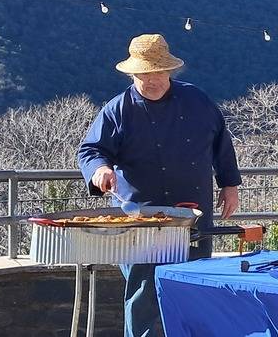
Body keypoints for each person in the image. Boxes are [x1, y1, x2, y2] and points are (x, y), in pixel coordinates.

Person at [77, 34, 242, 337]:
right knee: (143, 293)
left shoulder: (197, 101)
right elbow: (90, 150)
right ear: (132, 74)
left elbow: (221, 142)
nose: (151, 80)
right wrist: (100, 169)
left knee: (194, 286)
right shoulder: (118, 109)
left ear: (170, 71)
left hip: (193, 215)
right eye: (143, 74)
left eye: (157, 73)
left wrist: (229, 184)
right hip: (139, 219)